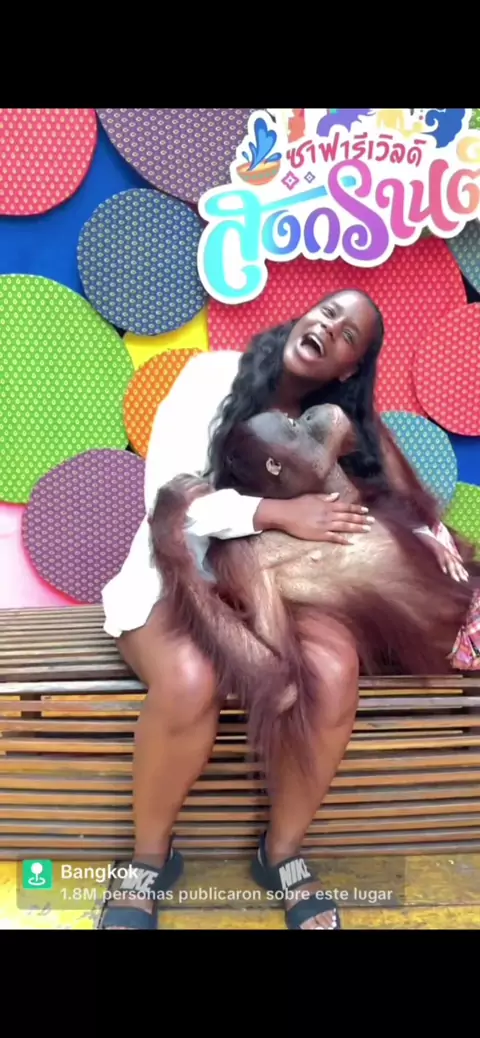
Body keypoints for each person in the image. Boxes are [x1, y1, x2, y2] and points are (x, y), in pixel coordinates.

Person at [99, 288, 471, 930]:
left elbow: (390, 497)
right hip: (180, 576)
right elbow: (170, 500)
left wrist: (430, 539)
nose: (330, 326)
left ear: (349, 368)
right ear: (303, 318)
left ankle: (282, 854)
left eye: (348, 334)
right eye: (328, 312)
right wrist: (277, 511)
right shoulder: (213, 376)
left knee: (333, 674)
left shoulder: (338, 421)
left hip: (288, 588)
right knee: (190, 680)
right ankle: (149, 860)